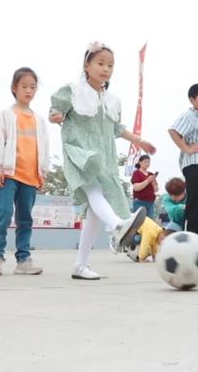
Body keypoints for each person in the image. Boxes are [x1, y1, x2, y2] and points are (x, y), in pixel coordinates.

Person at [50, 41, 156, 280]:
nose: (106, 69)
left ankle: (80, 265)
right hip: (80, 152)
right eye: (100, 63)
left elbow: (117, 129)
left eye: (110, 65)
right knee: (94, 190)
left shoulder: (111, 100)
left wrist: (140, 142)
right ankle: (117, 225)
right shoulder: (73, 91)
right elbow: (55, 111)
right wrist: (56, 116)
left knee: (93, 215)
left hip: (104, 156)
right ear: (86, 65)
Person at [0, 67, 51, 276]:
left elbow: (44, 146)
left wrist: (43, 172)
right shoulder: (5, 115)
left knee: (25, 219)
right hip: (8, 174)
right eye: (24, 86)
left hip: (30, 177)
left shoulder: (39, 120)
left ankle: (23, 260)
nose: (29, 91)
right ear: (14, 88)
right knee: (3, 213)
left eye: (33, 87)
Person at [168, 83, 198, 259]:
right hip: (195, 164)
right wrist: (186, 148)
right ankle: (191, 250)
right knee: (194, 208)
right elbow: (173, 131)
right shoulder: (189, 115)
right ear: (192, 100)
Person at [130, 155, 159, 220]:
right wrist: (148, 180)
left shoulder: (151, 174)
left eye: (148, 162)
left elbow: (156, 190)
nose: (147, 163)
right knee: (139, 221)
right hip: (140, 201)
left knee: (149, 222)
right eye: (145, 162)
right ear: (140, 162)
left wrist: (153, 183)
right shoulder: (136, 173)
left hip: (150, 202)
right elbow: (136, 188)